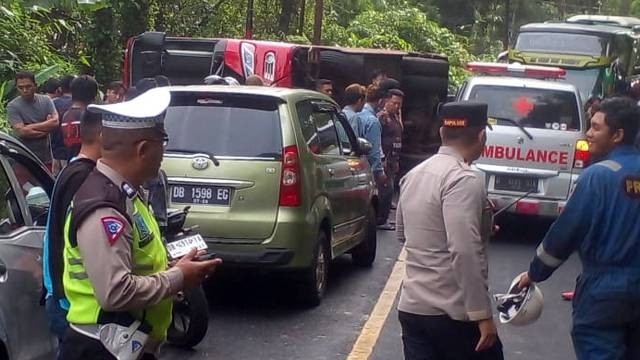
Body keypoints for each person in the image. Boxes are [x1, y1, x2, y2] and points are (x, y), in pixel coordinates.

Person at [57, 87, 221, 360]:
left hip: (123, 345)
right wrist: (178, 277)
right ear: (144, 149)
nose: (164, 152)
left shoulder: (125, 194)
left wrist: (177, 269)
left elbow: (135, 262)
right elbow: (115, 292)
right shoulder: (104, 206)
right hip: (101, 348)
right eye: (163, 142)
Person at [518, 97, 640, 360]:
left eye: (596, 128)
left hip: (605, 291)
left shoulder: (598, 177)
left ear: (617, 134)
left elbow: (565, 234)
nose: (588, 133)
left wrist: (534, 273)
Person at [396, 101, 503, 360]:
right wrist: (482, 314)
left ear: (442, 133)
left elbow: (402, 233)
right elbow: (464, 250)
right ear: (482, 136)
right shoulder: (464, 179)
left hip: (413, 309)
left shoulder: (414, 174)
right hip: (452, 313)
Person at [43, 109, 103, 343]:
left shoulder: (72, 169)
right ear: (102, 136)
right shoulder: (84, 178)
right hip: (69, 300)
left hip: (62, 296)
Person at [7, 71, 59, 168]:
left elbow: (55, 122)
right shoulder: (13, 106)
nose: (25, 90)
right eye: (20, 87)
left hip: (45, 157)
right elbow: (22, 132)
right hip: (23, 159)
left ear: (35, 86)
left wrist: (28, 127)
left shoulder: (46, 100)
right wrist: (46, 129)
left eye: (28, 86)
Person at [377, 88, 404, 230]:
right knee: (386, 190)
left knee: (389, 190)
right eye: (394, 103)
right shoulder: (382, 118)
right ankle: (381, 220)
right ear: (386, 101)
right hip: (385, 160)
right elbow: (376, 139)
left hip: (393, 159)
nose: (397, 106)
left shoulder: (395, 117)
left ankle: (383, 218)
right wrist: (382, 159)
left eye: (399, 104)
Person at [61, 75, 99, 159]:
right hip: (89, 163)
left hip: (71, 163)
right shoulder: (92, 116)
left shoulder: (65, 115)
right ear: (94, 95)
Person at [359, 85, 386, 191]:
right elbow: (374, 150)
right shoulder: (372, 121)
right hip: (369, 170)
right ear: (380, 102)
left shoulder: (357, 113)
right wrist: (379, 172)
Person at [51, 76, 75, 175]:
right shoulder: (78, 104)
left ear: (60, 88)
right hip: (73, 152)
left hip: (56, 150)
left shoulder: (53, 103)